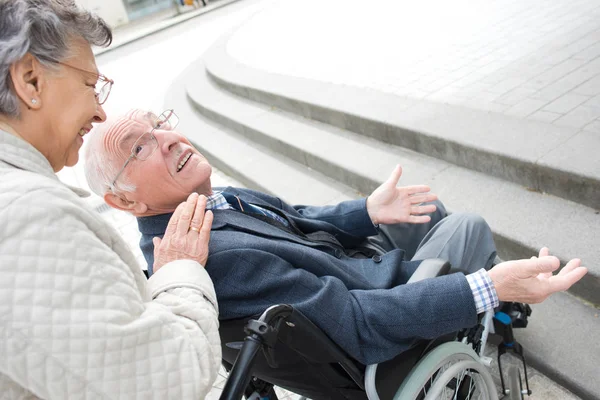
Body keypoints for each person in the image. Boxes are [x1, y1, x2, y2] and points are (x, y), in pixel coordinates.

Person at [85, 108, 588, 366]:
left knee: (419, 207)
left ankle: (478, 288)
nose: (170, 138)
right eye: (140, 146)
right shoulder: (210, 257)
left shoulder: (204, 205)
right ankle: (490, 300)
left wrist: (368, 210)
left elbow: (296, 217)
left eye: (160, 124)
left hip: (348, 265)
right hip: (376, 301)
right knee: (466, 227)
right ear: (124, 202)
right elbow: (356, 322)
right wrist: (488, 286)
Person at [0, 1, 221, 399]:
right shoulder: (26, 217)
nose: (101, 111)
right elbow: (163, 380)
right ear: (30, 81)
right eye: (90, 84)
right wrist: (179, 271)